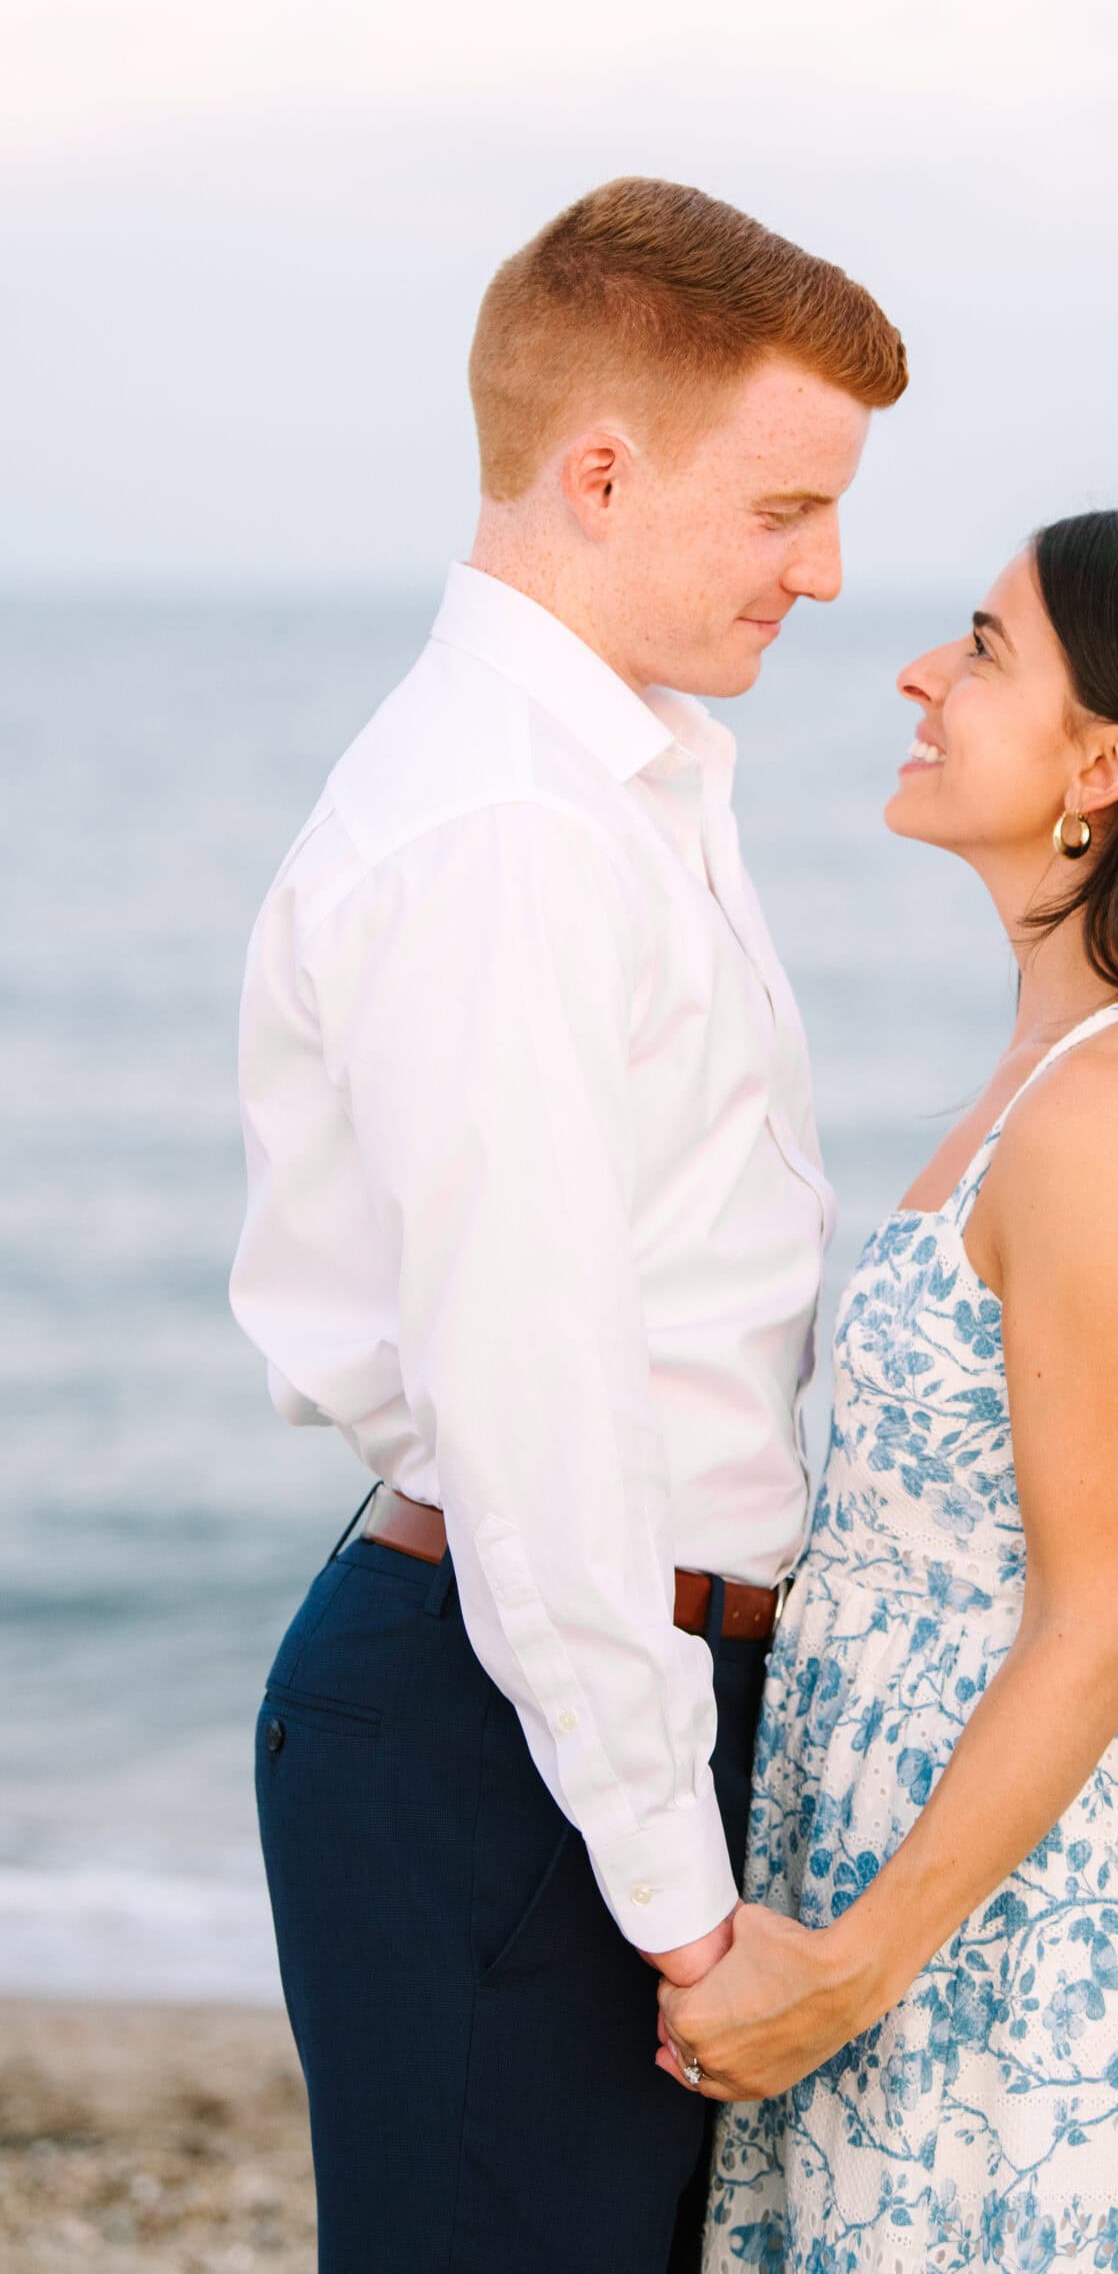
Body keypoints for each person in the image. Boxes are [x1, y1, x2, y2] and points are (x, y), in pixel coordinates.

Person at [228, 177, 906, 2273]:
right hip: (512, 1725)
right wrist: (679, 1892)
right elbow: (536, 1401)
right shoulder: (509, 828)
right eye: (786, 505)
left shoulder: (620, 778)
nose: (831, 567)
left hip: (573, 1702)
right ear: (600, 470)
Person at [660, 511, 1118, 2273]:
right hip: (951, 1873)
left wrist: (856, 1963)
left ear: (1101, 767)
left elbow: (1112, 1611)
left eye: (980, 647)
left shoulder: (1112, 1116)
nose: (915, 672)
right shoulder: (1071, 1075)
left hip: (993, 1941)